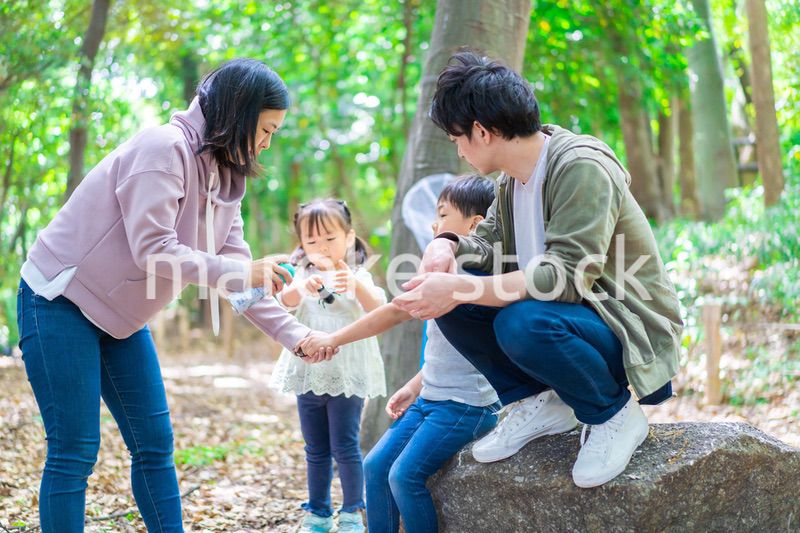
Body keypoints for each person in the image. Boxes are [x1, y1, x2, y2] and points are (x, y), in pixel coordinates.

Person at [16, 58, 332, 532]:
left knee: (154, 444)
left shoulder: (229, 178)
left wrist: (296, 335)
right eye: (265, 129)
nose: (268, 142)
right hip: (59, 301)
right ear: (239, 114)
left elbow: (238, 278)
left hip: (121, 318)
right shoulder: (162, 151)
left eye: (274, 132)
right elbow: (155, 251)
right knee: (76, 449)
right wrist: (245, 269)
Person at [391, 50, 683, 488]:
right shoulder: (511, 181)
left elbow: (566, 277)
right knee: (453, 302)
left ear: (482, 132)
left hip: (621, 328)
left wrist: (458, 287)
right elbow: (485, 246)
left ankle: (613, 415)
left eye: (457, 138)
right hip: (569, 325)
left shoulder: (580, 166)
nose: (458, 150)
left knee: (520, 319)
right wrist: (445, 245)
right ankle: (540, 402)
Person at [301, 175, 500, 533]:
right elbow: (450, 351)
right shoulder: (445, 271)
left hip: (466, 407)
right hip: (432, 400)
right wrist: (414, 386)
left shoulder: (477, 278)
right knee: (375, 468)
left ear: (474, 224)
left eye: (442, 215)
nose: (434, 224)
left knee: (404, 477)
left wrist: (334, 338)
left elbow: (394, 311)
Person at [270, 198, 387, 533]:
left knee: (345, 444)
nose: (321, 247)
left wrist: (355, 284)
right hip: (308, 372)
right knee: (315, 447)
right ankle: (318, 512)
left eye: (330, 238)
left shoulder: (358, 276)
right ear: (302, 245)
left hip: (345, 376)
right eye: (312, 241)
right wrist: (300, 288)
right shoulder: (303, 278)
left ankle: (352, 511)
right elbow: (285, 303)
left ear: (349, 238)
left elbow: (379, 308)